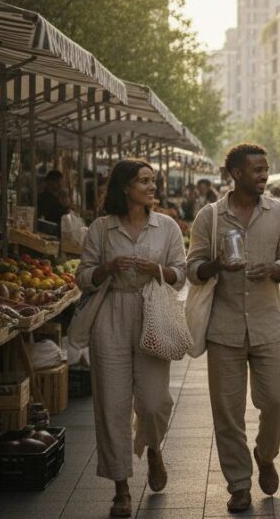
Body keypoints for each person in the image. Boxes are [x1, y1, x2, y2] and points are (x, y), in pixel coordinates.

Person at [186, 143, 280, 513]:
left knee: (279, 401)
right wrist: (216, 265)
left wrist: (275, 270)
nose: (264, 175)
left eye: (266, 169)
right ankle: (238, 484)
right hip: (224, 327)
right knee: (227, 412)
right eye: (256, 169)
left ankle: (265, 455)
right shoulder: (210, 216)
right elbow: (193, 268)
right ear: (235, 174)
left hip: (268, 324)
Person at [76, 159, 186, 517]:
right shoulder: (101, 229)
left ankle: (154, 448)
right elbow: (82, 277)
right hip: (110, 315)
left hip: (153, 314)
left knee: (154, 402)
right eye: (143, 181)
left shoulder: (166, 226)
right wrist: (106, 268)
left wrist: (155, 269)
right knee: (112, 405)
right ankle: (120, 486)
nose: (152, 186)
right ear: (125, 187)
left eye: (153, 180)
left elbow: (181, 275)